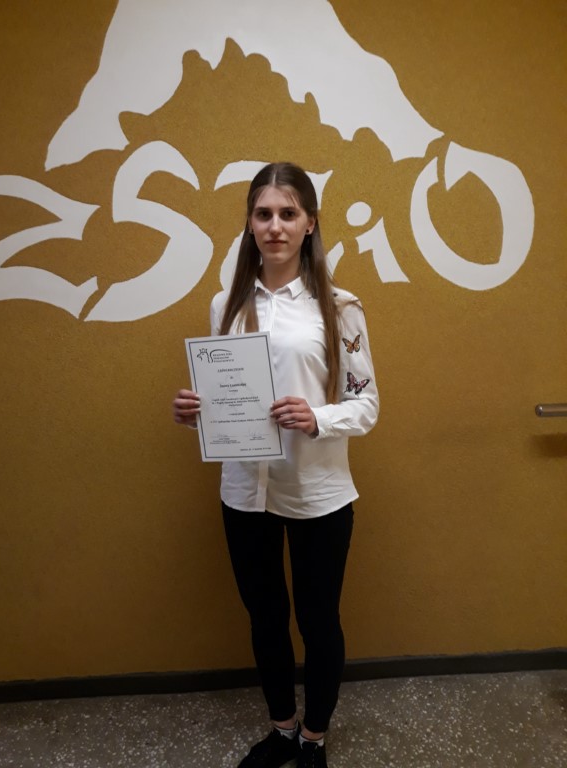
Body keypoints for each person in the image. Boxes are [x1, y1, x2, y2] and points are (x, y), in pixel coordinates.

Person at [173, 162, 379, 768]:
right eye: (263, 214)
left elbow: (366, 404)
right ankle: (283, 729)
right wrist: (196, 412)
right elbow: (224, 396)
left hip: (317, 490)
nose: (275, 226)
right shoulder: (226, 304)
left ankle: (314, 738)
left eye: (288, 214)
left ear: (310, 223)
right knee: (265, 618)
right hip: (244, 491)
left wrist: (317, 417)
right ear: (249, 223)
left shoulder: (339, 307)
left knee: (318, 622)